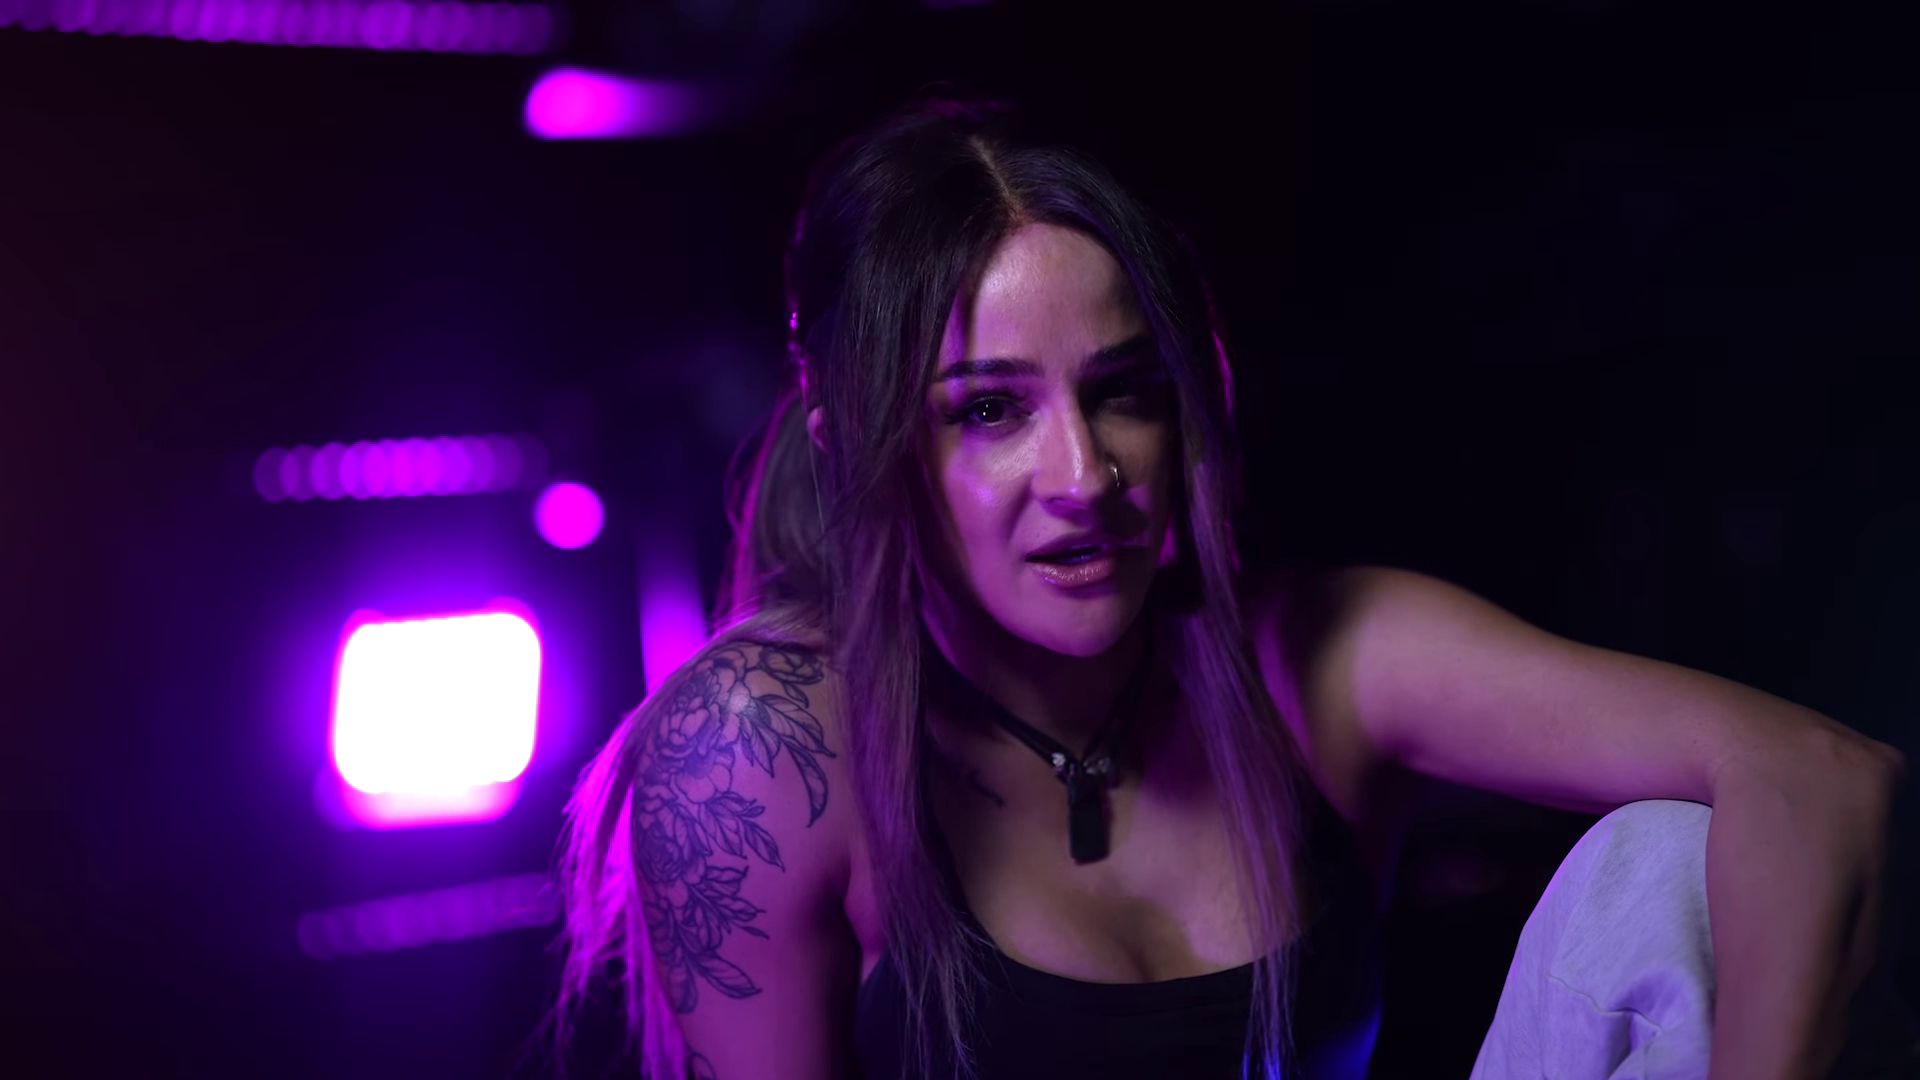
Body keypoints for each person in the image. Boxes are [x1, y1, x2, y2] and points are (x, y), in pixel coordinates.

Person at [555, 96, 1911, 1080]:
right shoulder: (765, 744)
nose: (1084, 475)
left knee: (1663, 870)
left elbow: (1818, 773)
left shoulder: (1320, 660)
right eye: (990, 410)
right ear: (855, 438)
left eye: (1123, 392)